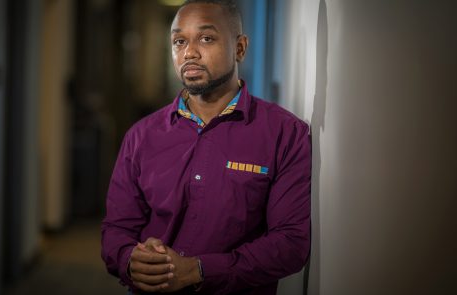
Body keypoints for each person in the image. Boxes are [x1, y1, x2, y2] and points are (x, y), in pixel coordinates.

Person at [101, 0, 311, 294]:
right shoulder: (140, 136)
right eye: (179, 41)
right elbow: (115, 230)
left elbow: (290, 244)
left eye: (206, 38)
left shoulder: (285, 134)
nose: (189, 52)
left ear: (240, 48)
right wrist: (129, 259)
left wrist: (199, 271)